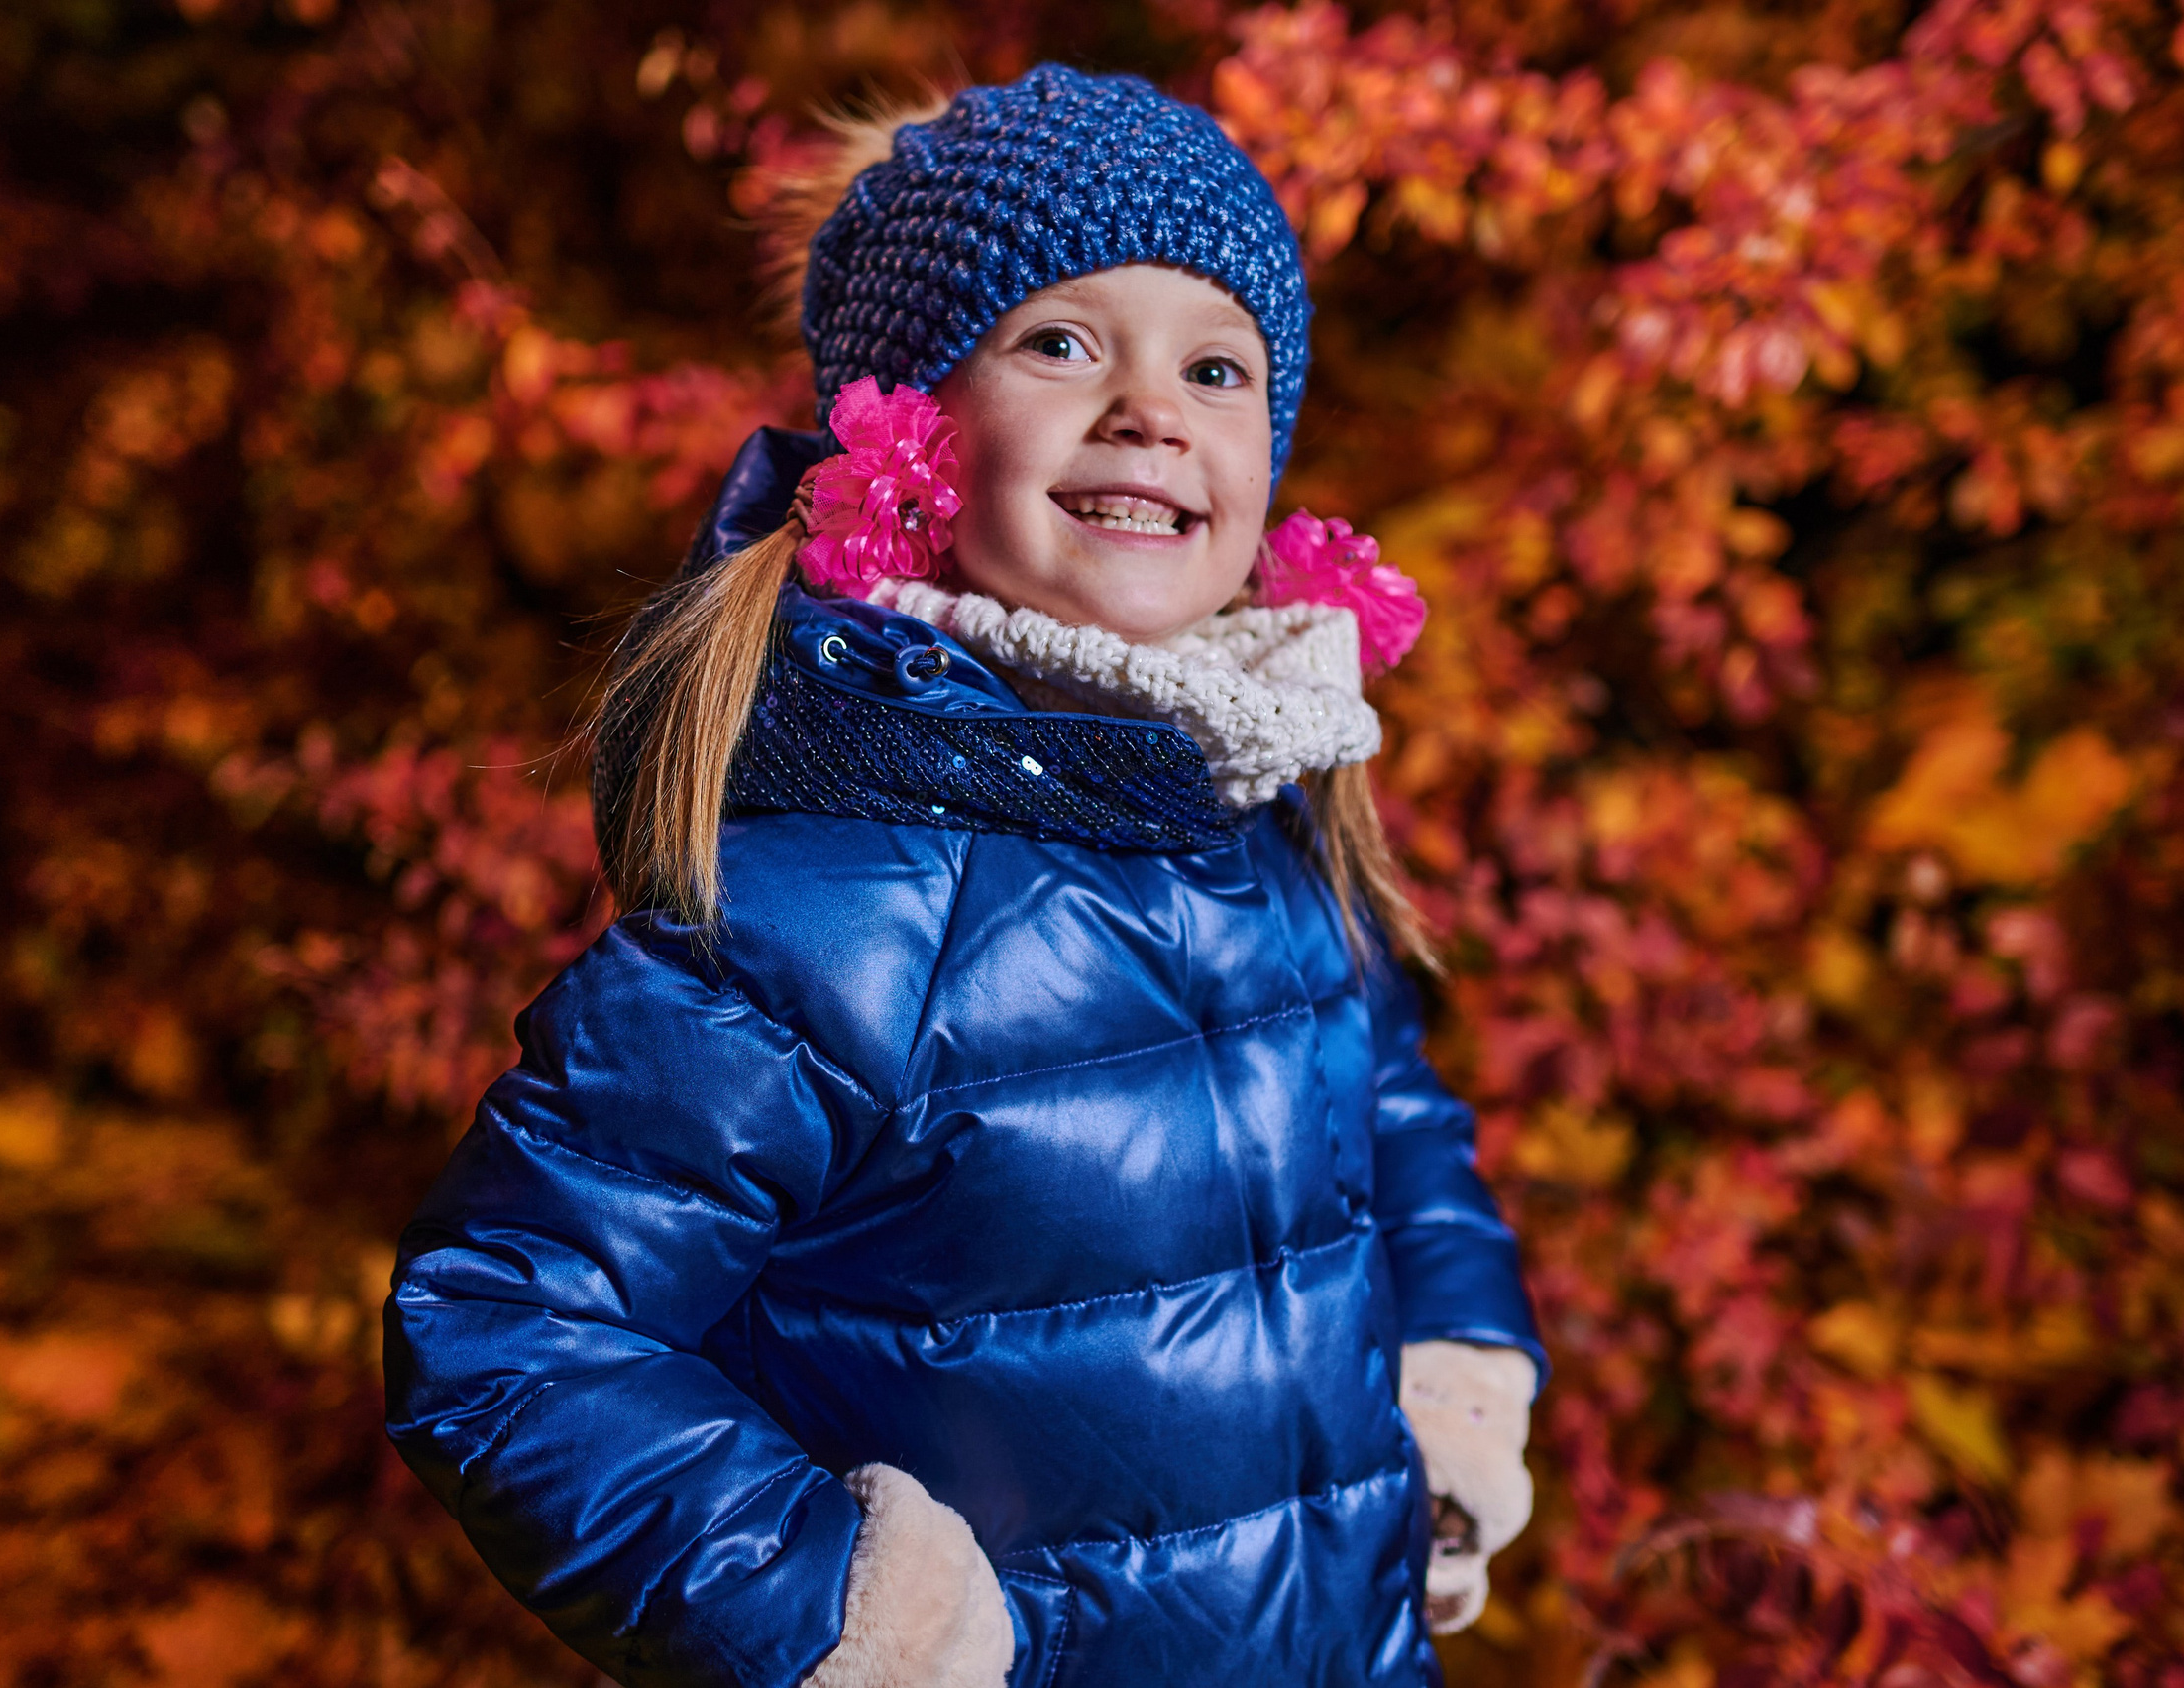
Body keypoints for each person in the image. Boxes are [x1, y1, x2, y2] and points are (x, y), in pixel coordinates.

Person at [383, 63, 1546, 1688]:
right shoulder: (829, 911)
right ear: (912, 435)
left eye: (1218, 368)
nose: (1152, 408)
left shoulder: (1261, 818)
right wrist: (839, 1616)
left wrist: (1457, 1373)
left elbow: (1394, 1119)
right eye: (1063, 342)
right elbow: (511, 1324)